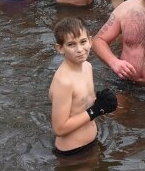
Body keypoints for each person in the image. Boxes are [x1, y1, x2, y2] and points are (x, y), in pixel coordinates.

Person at [49, 17, 118, 157]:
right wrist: (96, 110)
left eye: (83, 42)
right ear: (60, 48)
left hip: (92, 142)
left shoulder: (87, 67)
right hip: (72, 152)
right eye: (71, 44)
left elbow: (84, 105)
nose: (79, 49)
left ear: (90, 41)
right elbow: (59, 128)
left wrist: (101, 103)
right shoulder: (63, 82)